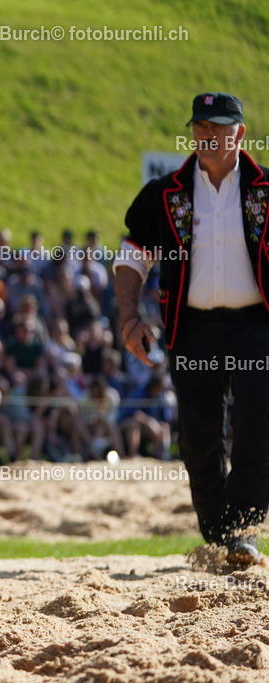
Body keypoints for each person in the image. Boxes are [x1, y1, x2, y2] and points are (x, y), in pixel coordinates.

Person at [114, 92, 269, 565]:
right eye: (200, 126)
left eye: (217, 127)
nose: (207, 135)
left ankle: (242, 530)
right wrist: (129, 318)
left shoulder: (266, 190)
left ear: (239, 133)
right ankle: (220, 530)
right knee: (197, 439)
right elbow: (132, 257)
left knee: (258, 422)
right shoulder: (166, 193)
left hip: (255, 326)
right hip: (191, 327)